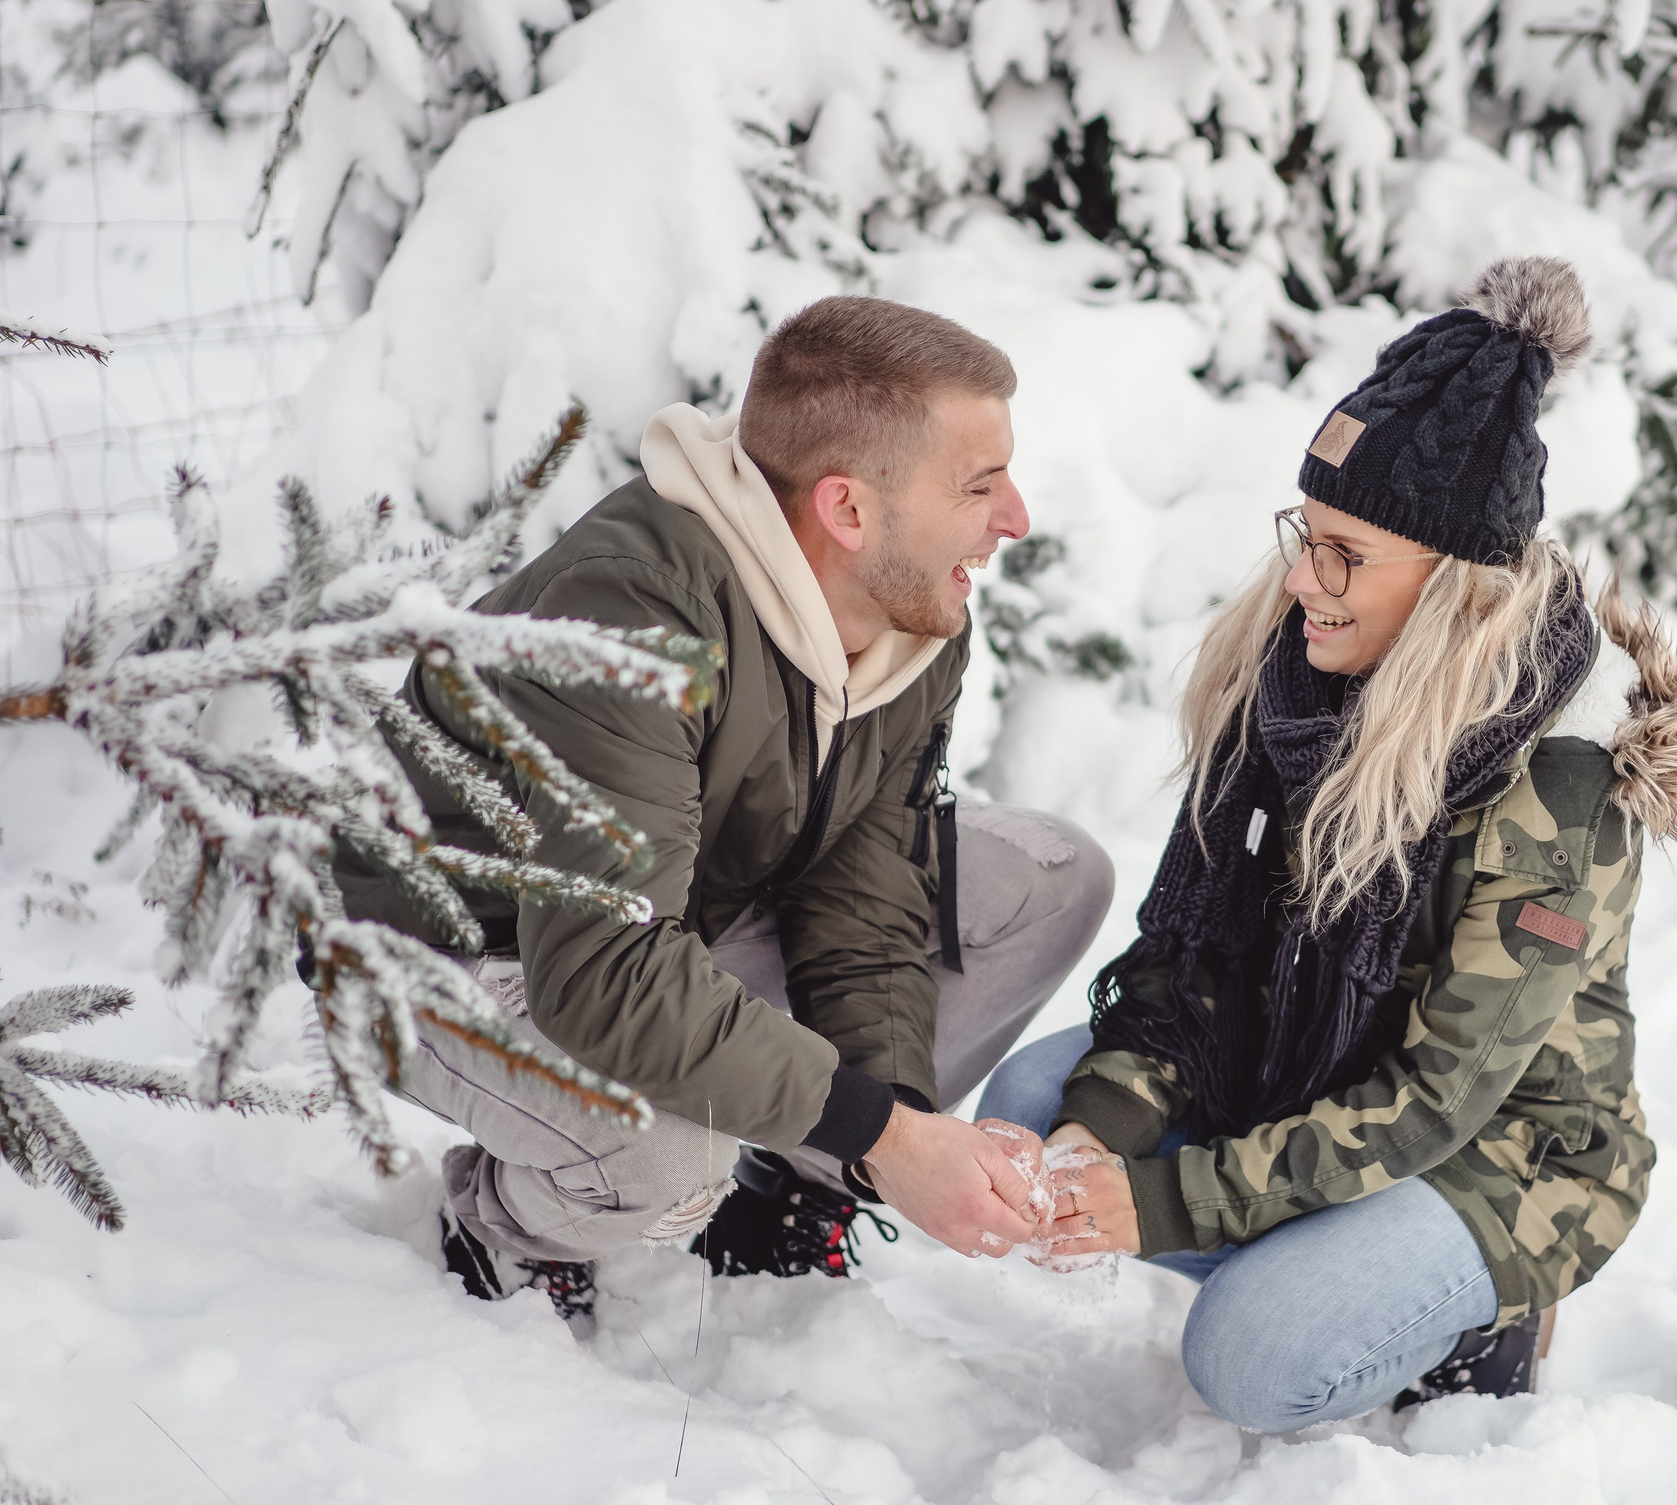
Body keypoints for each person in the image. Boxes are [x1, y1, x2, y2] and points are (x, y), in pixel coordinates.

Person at [980, 257, 1677, 1433]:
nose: (1301, 582)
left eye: (1346, 554)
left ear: (1453, 587)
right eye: (1304, 535)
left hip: (1503, 1154)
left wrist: (1171, 1201)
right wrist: (1111, 1130)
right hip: (1311, 1064)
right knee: (1036, 1111)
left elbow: (1435, 1101)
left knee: (1248, 1359)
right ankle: (1322, 1265)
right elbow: (1192, 964)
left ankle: (1457, 1308)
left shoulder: (1557, 785)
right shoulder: (1296, 688)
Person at [335, 296, 1112, 1315]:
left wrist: (892, 1126)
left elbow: (865, 888)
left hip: (670, 915)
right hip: (460, 953)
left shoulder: (909, 611)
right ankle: (506, 1233)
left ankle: (797, 1183)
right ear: (847, 509)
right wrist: (890, 1135)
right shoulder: (632, 613)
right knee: (666, 1155)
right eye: (978, 484)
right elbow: (600, 972)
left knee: (1052, 875)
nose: (1014, 517)